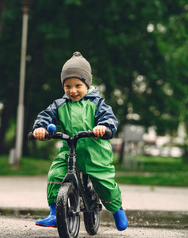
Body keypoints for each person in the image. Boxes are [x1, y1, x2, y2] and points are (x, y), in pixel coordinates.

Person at [32, 51, 128, 231]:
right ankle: (54, 213)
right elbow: (45, 116)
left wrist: (103, 128)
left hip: (95, 151)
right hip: (69, 149)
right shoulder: (60, 104)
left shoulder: (97, 103)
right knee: (55, 174)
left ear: (87, 84)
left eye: (78, 85)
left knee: (104, 182)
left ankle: (117, 209)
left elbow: (109, 119)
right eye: (67, 86)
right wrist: (40, 128)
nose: (73, 90)